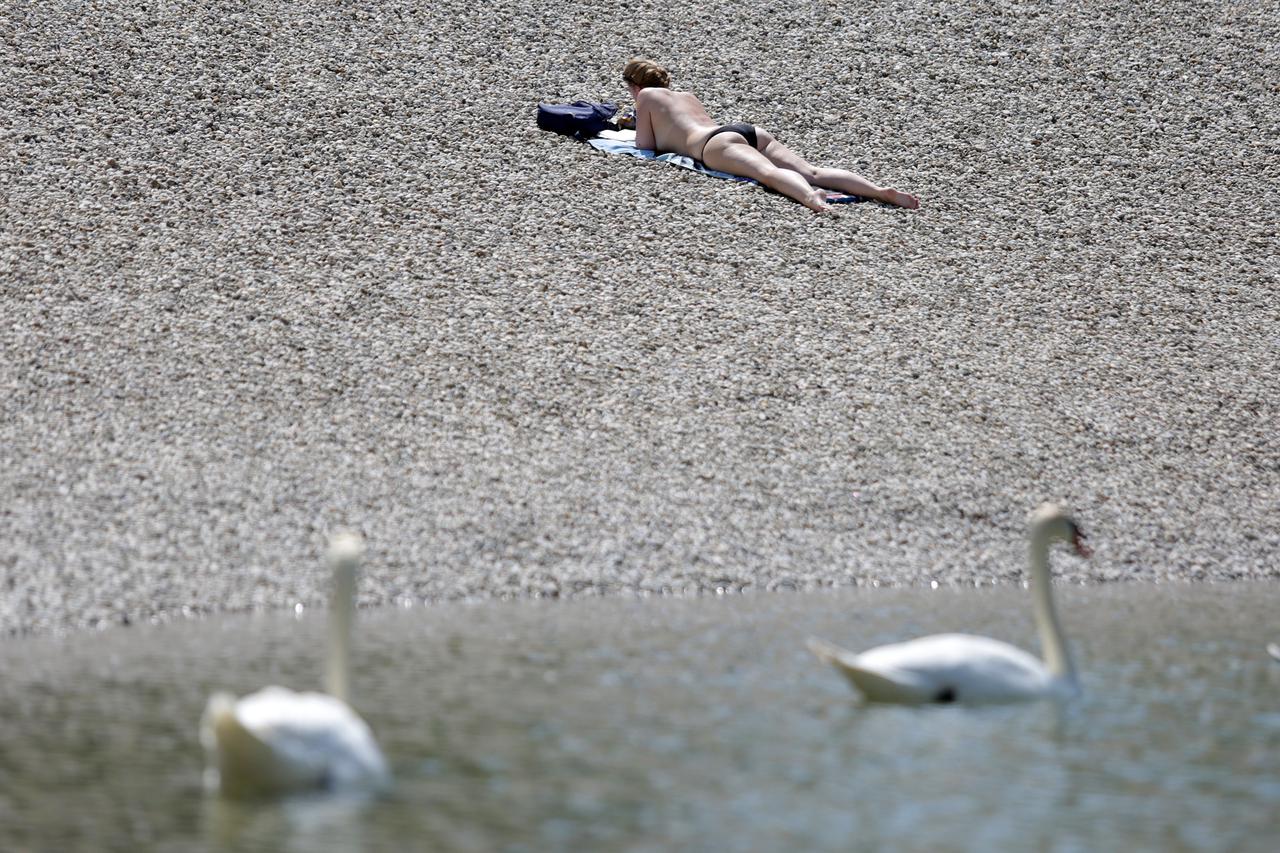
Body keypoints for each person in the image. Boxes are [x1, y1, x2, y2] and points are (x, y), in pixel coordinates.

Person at [623, 58, 920, 213]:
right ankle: (880, 192)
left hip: (713, 146)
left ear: (634, 86)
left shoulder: (645, 96)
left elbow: (645, 147)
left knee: (768, 173)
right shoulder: (686, 95)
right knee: (812, 170)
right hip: (744, 131)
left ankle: (810, 197)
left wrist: (634, 123)